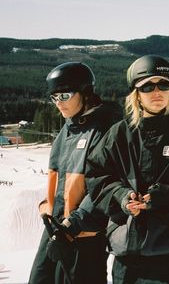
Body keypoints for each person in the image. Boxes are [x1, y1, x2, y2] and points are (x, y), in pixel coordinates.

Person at [85, 54, 169, 284]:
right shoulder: (118, 135)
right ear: (136, 94)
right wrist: (122, 197)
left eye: (163, 84)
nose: (157, 91)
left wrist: (159, 197)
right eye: (147, 86)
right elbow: (97, 176)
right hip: (129, 253)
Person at [28, 61, 122, 284]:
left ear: (85, 92)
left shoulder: (106, 128)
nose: (58, 103)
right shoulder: (68, 128)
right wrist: (48, 209)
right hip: (56, 229)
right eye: (54, 98)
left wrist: (72, 227)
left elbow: (106, 187)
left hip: (84, 236)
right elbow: (60, 181)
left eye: (65, 95)